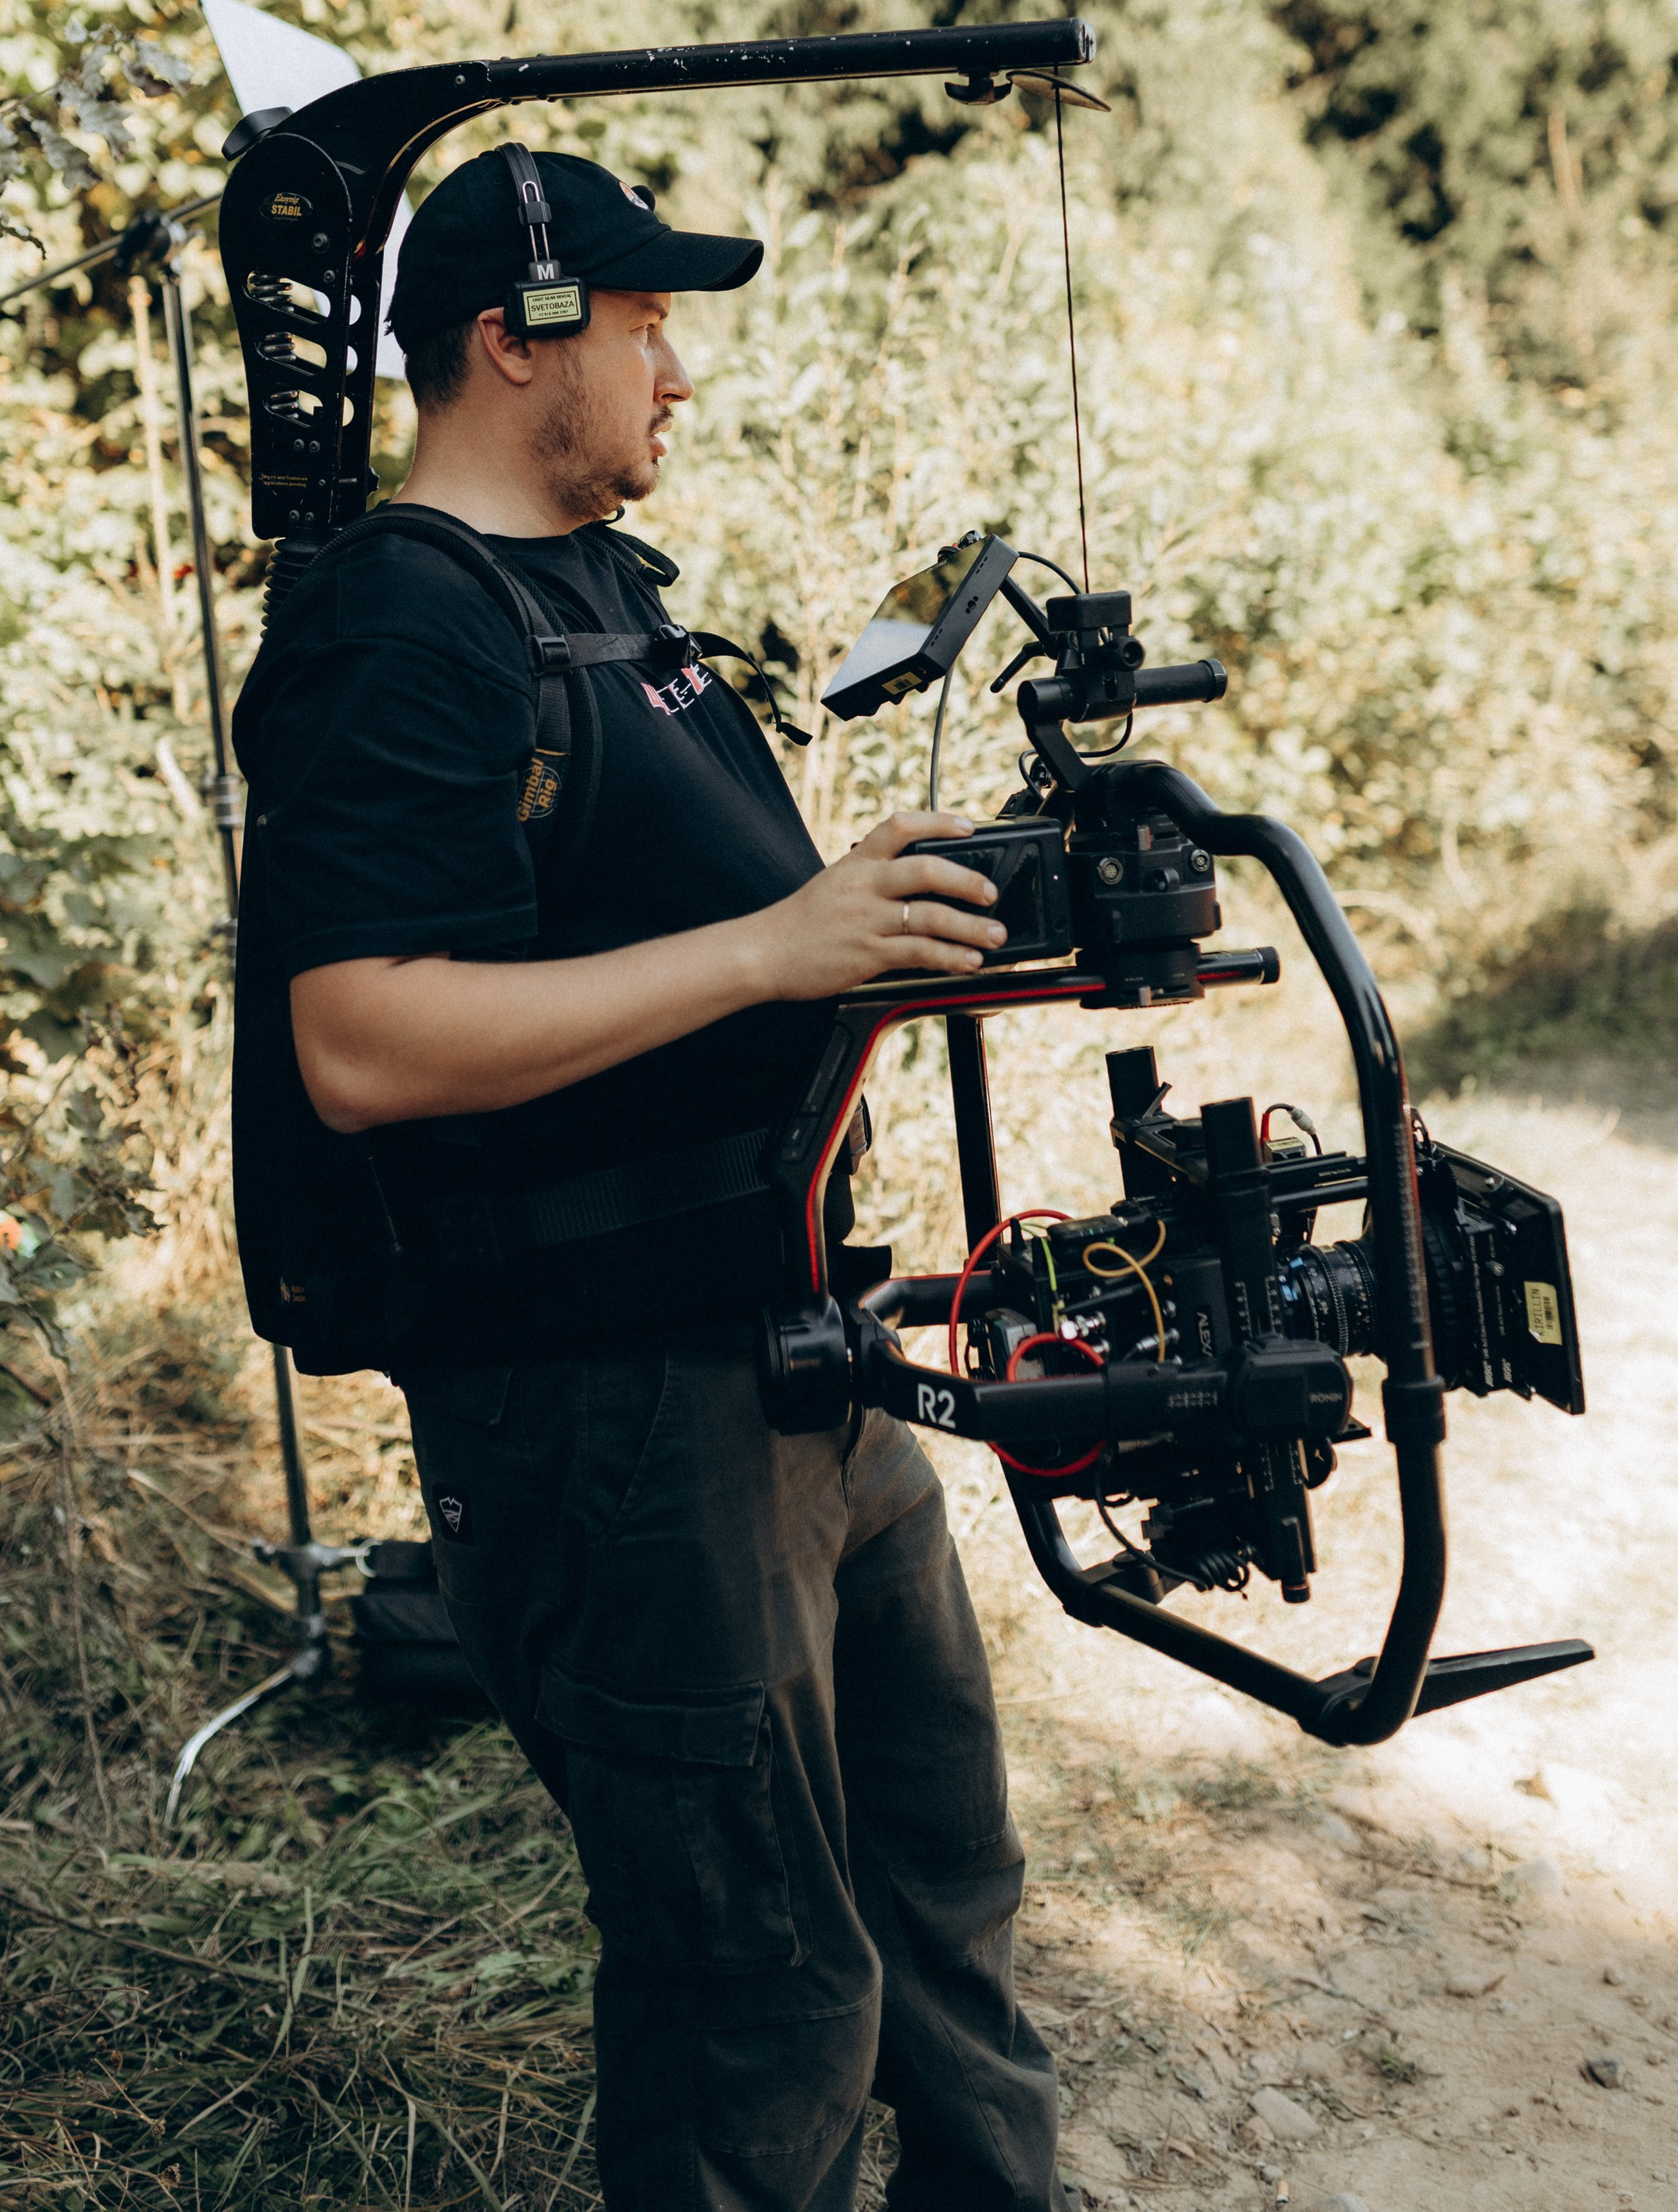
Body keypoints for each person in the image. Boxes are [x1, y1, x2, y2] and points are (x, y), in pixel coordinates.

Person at [230, 147, 1074, 2212]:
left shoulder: (605, 593)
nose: (677, 373)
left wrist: (898, 930)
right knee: (758, 1991)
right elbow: (358, 1038)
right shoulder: (400, 623)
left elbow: (688, 950)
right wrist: (780, 951)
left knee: (939, 1891)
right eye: (644, 324)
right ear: (517, 338)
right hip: (620, 1418)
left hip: (800, 1355)